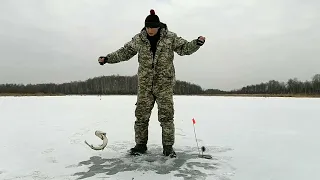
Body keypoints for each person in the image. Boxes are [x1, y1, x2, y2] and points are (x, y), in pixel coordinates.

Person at [98, 9, 205, 157]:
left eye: (152, 27)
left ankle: (168, 147)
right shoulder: (139, 39)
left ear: (159, 26)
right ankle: (140, 145)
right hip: (145, 86)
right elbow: (124, 52)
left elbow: (184, 48)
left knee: (166, 117)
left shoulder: (170, 37)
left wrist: (197, 43)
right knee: (141, 117)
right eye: (147, 27)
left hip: (164, 85)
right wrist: (108, 58)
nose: (150, 30)